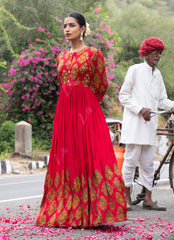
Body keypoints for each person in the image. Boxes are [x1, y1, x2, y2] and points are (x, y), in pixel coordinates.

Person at [35, 12, 127, 228]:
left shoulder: (94, 54)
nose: (67, 29)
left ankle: (93, 211)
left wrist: (87, 107)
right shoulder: (61, 57)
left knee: (90, 155)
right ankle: (68, 208)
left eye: (72, 25)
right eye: (65, 25)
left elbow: (100, 85)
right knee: (69, 157)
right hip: (65, 112)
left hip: (87, 111)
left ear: (83, 29)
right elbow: (62, 83)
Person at [119, 37, 174, 211]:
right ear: (145, 53)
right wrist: (140, 109)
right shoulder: (135, 70)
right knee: (130, 161)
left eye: (160, 52)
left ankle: (148, 199)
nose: (158, 55)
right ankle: (126, 197)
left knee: (147, 163)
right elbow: (123, 96)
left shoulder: (158, 74)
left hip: (150, 125)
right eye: (154, 51)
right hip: (135, 124)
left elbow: (162, 100)